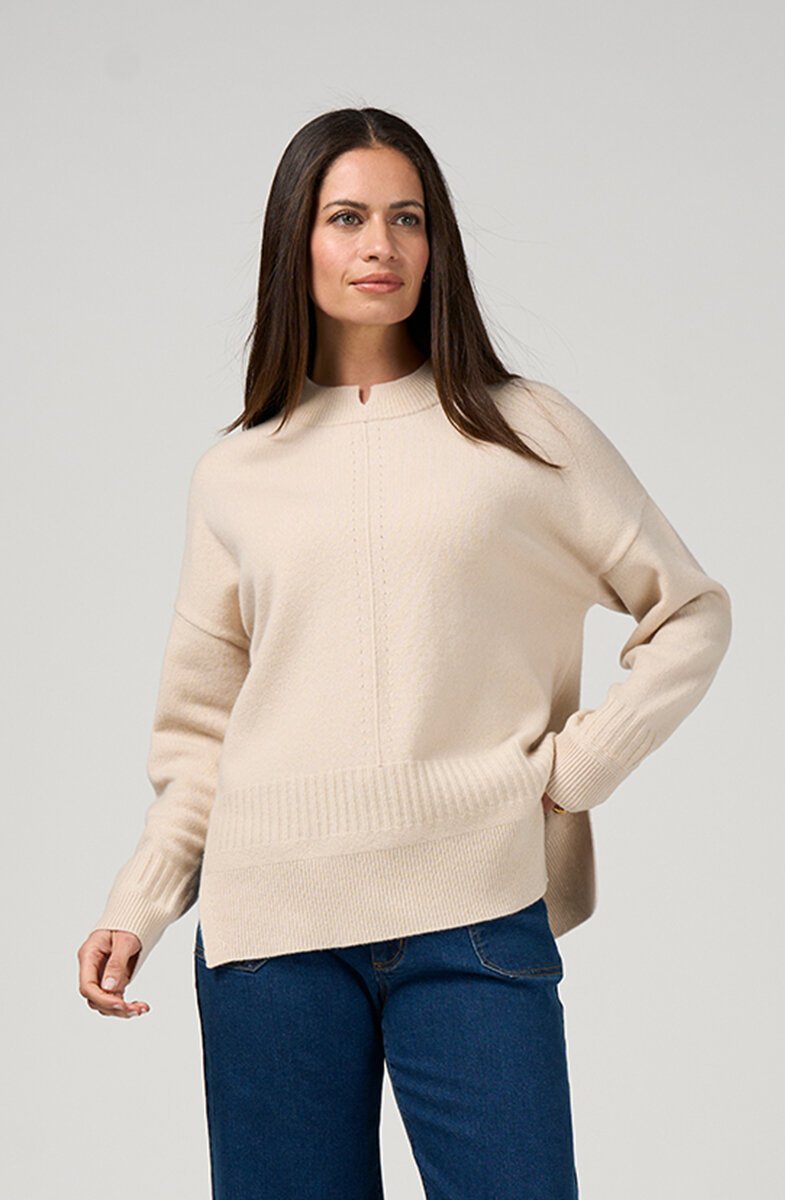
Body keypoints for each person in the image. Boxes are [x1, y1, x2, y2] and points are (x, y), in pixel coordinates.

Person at [77, 106, 732, 1199]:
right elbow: (202, 735)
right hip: (270, 931)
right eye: (346, 217)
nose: (379, 244)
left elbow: (690, 612)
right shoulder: (236, 472)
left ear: (436, 244)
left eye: (407, 218)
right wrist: (136, 902)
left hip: (472, 910)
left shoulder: (526, 430)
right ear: (296, 240)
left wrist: (582, 765)